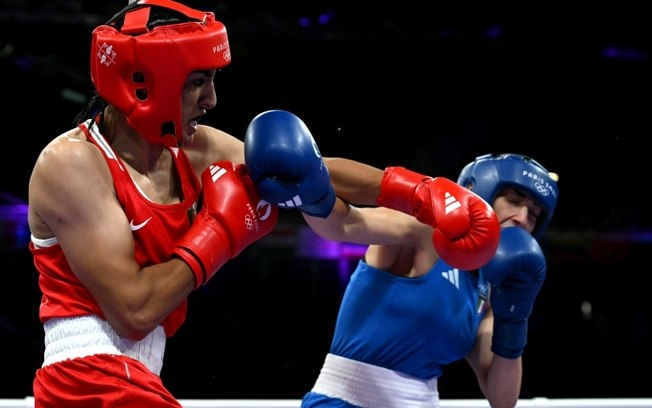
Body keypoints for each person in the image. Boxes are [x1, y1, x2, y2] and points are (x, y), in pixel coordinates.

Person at [26, 1, 282, 406]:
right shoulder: (72, 162)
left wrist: (408, 191)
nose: (211, 99)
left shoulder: (192, 150)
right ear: (145, 81)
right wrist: (218, 232)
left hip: (133, 380)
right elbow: (134, 312)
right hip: (89, 381)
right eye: (198, 81)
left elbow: (297, 169)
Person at [243, 111, 559, 408]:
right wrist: (308, 184)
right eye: (513, 201)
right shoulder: (424, 232)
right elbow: (345, 223)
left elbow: (501, 399)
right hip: (346, 400)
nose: (521, 218)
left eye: (533, 214)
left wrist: (517, 314)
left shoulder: (490, 295)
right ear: (481, 192)